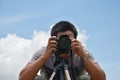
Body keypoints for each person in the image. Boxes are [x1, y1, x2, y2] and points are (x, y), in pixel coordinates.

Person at [19, 21, 106, 80]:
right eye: (61, 39)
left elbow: (101, 78)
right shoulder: (44, 52)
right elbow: (22, 78)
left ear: (75, 40)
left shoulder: (82, 52)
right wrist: (44, 57)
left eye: (68, 39)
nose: (65, 42)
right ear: (53, 40)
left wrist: (84, 56)